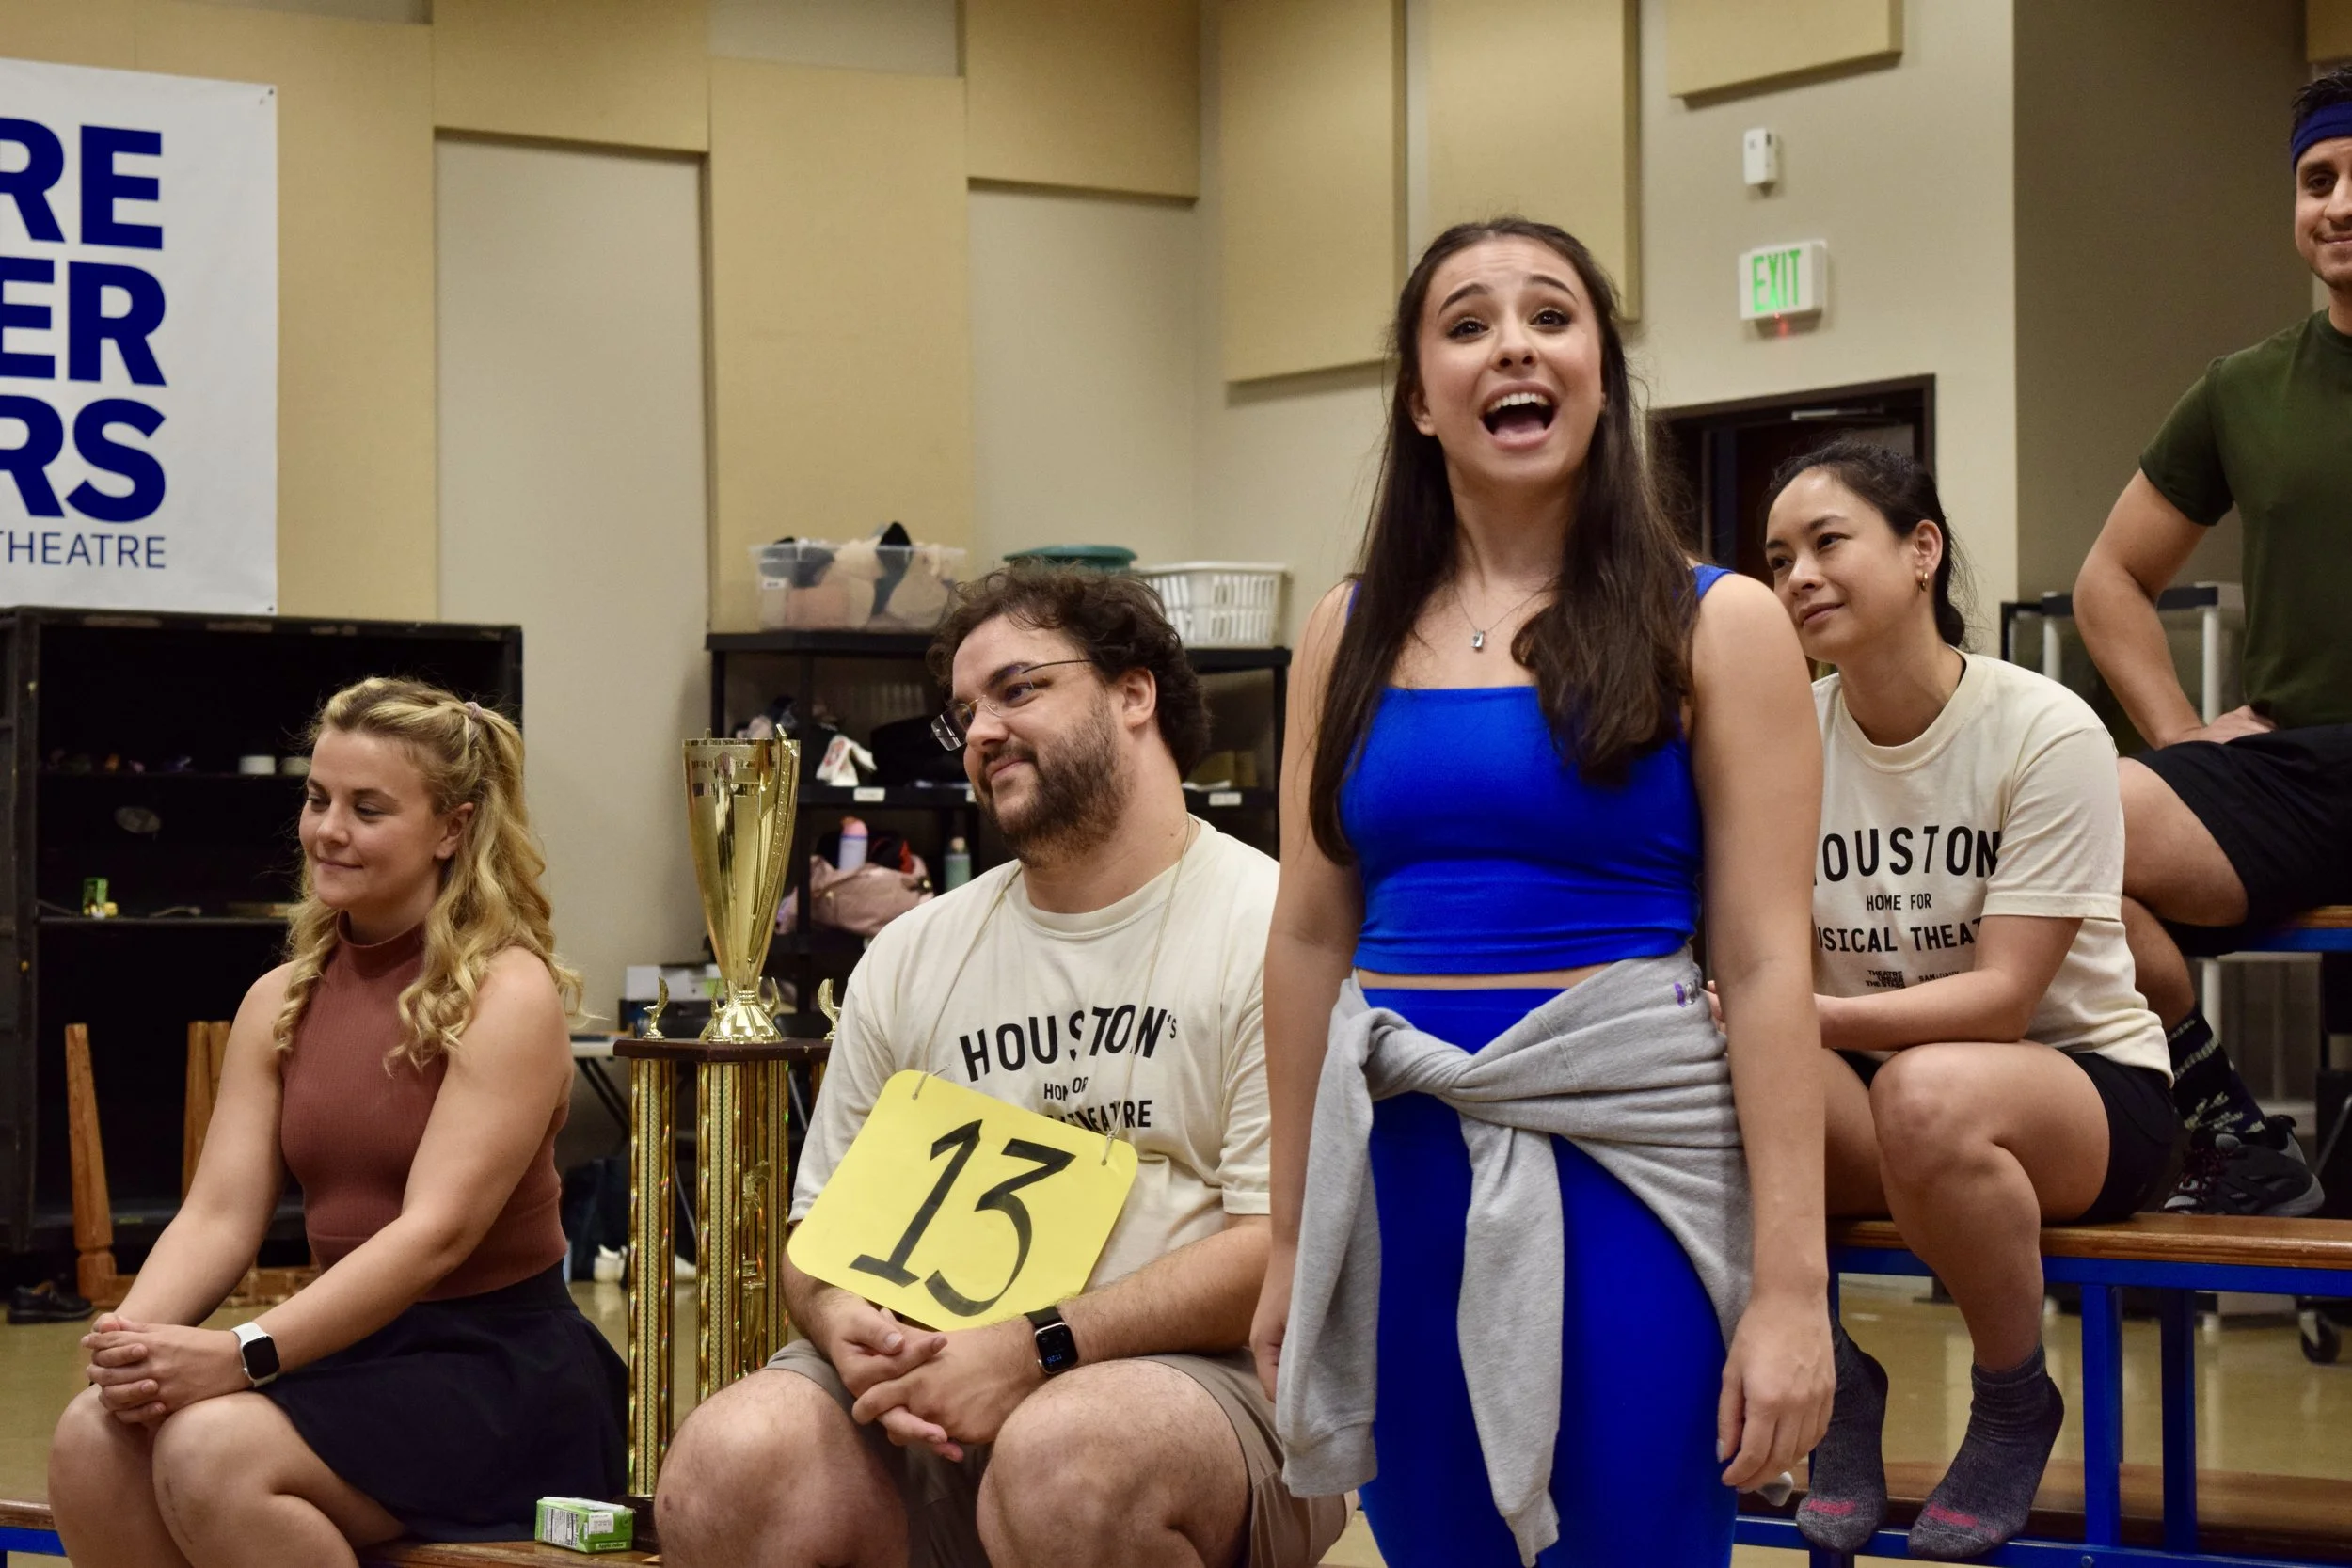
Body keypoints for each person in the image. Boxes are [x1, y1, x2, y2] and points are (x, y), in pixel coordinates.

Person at [1249, 216, 1832, 1568]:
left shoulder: (1720, 620)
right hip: (1400, 1176)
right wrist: (1288, 1242)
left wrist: (1794, 1286)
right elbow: (1308, 937)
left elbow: (1763, 962)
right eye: (1467, 324)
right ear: (1419, 397)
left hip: (1627, 1169)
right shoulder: (1343, 630)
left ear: (1601, 373)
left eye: (1551, 316)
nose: (1513, 345)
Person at [655, 565, 1345, 1568]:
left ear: (1134, 692)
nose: (981, 731)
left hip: (1198, 1385)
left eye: (1018, 688)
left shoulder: (1270, 929)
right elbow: (818, 1233)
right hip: (935, 1383)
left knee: (1065, 1459)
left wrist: (1037, 1346)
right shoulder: (912, 952)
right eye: (964, 713)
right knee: (725, 1461)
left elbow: (1275, 1247)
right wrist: (843, 1320)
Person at [49, 678, 624, 1566]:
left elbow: (434, 1234)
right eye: (318, 799)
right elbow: (219, 1214)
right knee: (93, 1436)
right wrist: (131, 1346)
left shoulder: (508, 993)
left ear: (452, 827)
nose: (329, 829)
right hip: (344, 1349)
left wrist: (242, 1352)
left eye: (368, 808)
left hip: (495, 1372)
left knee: (212, 1451)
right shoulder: (279, 998)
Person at [1760, 439, 2176, 1559]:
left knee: (1925, 1090)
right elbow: (1767, 962)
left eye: (1827, 541)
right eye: (1779, 557)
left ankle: (2011, 1399)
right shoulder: (1784, 734)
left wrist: (1809, 1019)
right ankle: (1834, 1381)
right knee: (1699, 1069)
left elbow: (2000, 999)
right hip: (1875, 1087)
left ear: (1921, 551)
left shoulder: (2043, 726)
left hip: (2080, 1091)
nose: (1798, 575)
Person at [2073, 64, 2352, 1216]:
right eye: (2316, 180)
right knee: (2059, 829)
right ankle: (2229, 1128)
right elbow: (2109, 580)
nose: (2337, 204)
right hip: (2303, 771)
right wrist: (2186, 741)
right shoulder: (2245, 389)